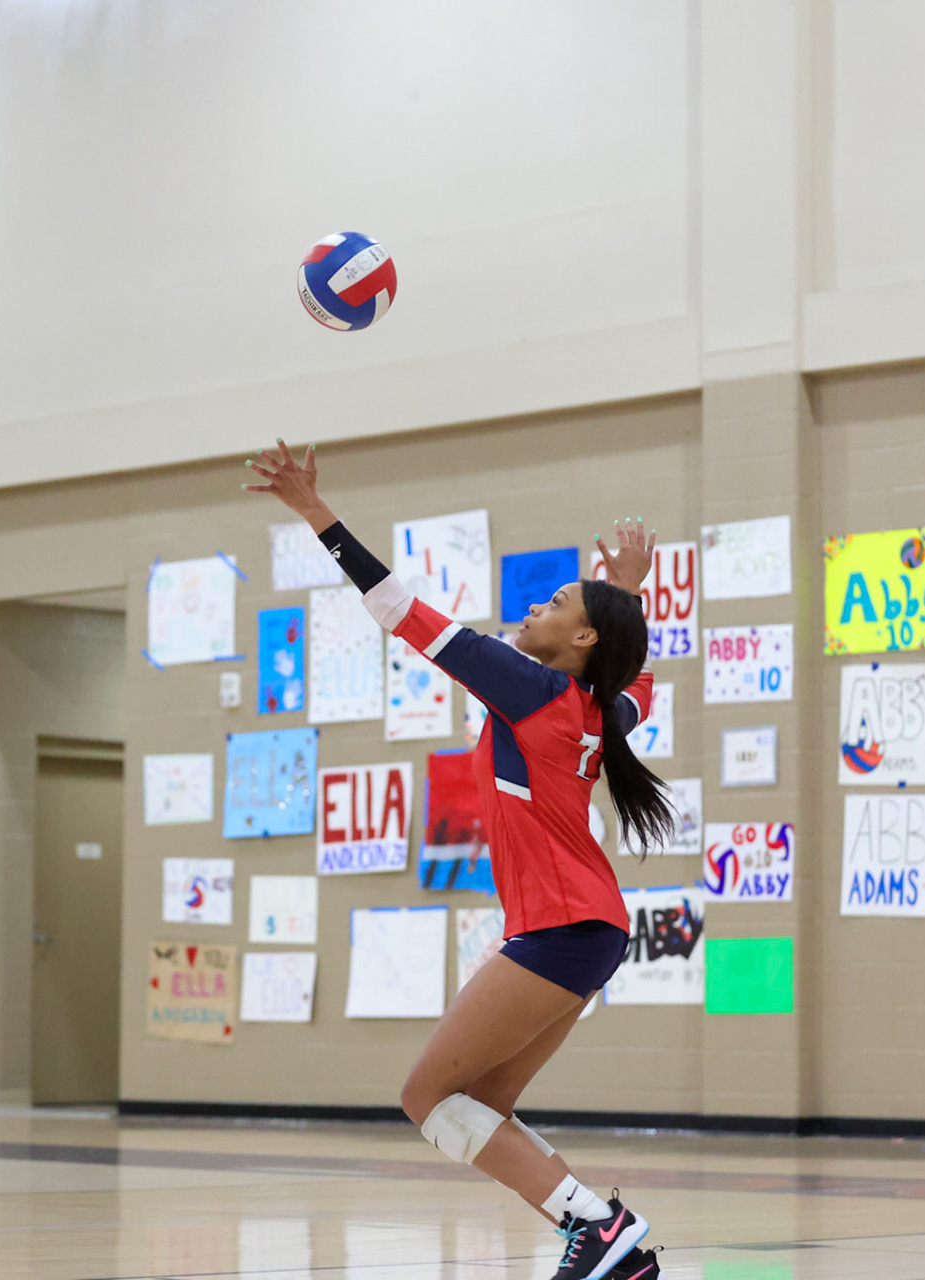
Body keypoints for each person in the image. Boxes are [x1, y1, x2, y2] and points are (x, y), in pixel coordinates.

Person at [246, 440, 674, 1280]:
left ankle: (598, 1224)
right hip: (587, 928)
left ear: (578, 635)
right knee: (479, 1107)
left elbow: (398, 607)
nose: (535, 608)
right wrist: (624, 593)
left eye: (553, 603)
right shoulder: (599, 706)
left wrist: (312, 512)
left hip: (559, 928)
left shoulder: (530, 684)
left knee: (425, 1097)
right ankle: (604, 1241)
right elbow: (638, 673)